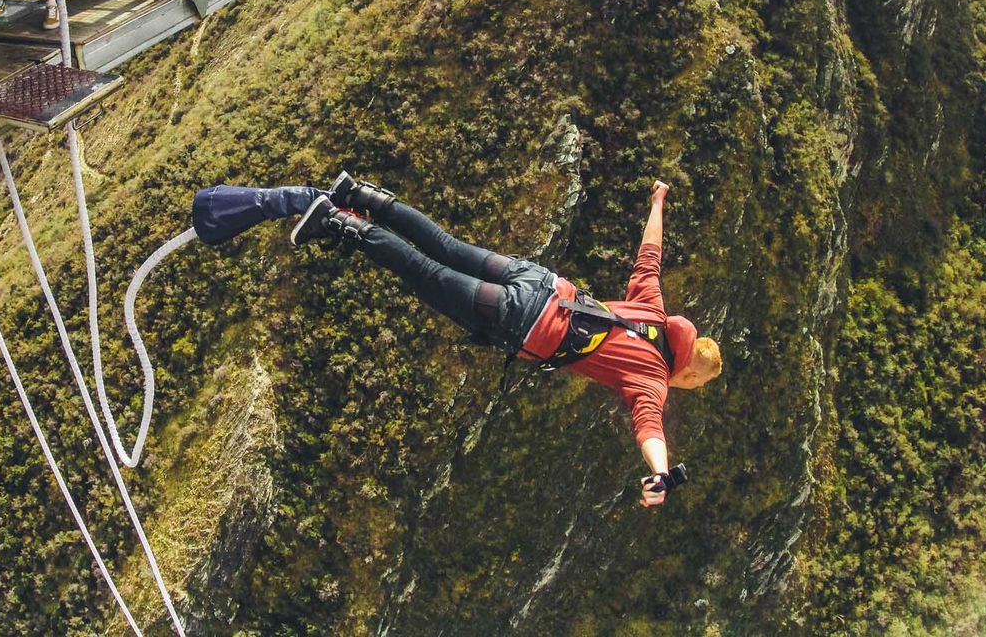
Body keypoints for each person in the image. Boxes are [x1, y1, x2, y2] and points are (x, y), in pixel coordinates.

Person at [291, 175, 722, 507]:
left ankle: (359, 195)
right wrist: (661, 474)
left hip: (541, 282)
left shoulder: (654, 312)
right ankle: (337, 221)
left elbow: (650, 255)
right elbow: (650, 428)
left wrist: (657, 203)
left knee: (445, 247)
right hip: (523, 320)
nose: (689, 387)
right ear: (688, 372)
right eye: (696, 383)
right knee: (425, 274)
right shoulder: (653, 380)